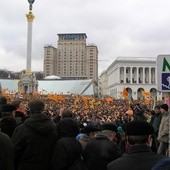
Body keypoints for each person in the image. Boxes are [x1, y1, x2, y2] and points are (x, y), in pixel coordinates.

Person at [12, 99, 58, 170]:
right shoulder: (54, 128)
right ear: (43, 109)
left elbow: (15, 153)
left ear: (29, 110)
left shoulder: (21, 129)